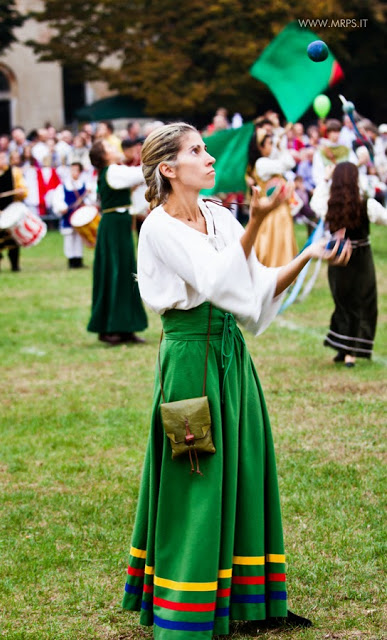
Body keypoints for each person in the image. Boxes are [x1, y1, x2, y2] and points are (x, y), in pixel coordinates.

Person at [121, 122, 351, 638]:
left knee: (247, 467)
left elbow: (252, 286)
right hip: (188, 360)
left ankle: (254, 603)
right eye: (197, 151)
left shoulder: (219, 216)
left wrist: (308, 254)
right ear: (168, 167)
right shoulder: (158, 226)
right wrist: (258, 223)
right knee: (196, 476)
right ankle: (186, 611)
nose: (209, 157)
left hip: (230, 354)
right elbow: (213, 280)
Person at [310, 161, 387, 367]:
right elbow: (383, 218)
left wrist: (325, 180)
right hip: (360, 257)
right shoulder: (366, 203)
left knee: (343, 301)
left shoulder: (329, 203)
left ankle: (344, 348)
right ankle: (350, 351)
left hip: (337, 256)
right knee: (361, 302)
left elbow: (314, 203)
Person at [87, 140, 148, 345]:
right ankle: (110, 327)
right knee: (116, 272)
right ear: (104, 157)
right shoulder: (112, 171)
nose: (115, 150)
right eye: (110, 149)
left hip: (117, 225)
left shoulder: (114, 171)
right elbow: (141, 174)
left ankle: (125, 327)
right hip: (114, 227)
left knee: (124, 272)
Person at [247, 128, 298, 267]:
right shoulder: (261, 163)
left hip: (279, 209)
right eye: (269, 143)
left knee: (282, 242)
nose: (271, 145)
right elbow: (288, 164)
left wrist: (279, 145)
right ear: (260, 146)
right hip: (272, 211)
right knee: (273, 244)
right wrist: (281, 147)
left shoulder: (267, 161)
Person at [52, 161, 95, 268]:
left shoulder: (85, 186)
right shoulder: (63, 186)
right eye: (72, 170)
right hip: (69, 217)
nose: (74, 172)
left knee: (79, 238)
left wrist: (88, 198)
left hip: (80, 216)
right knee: (69, 239)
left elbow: (91, 200)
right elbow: (58, 200)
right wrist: (62, 208)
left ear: (80, 172)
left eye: (76, 170)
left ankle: (78, 260)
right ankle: (71, 260)